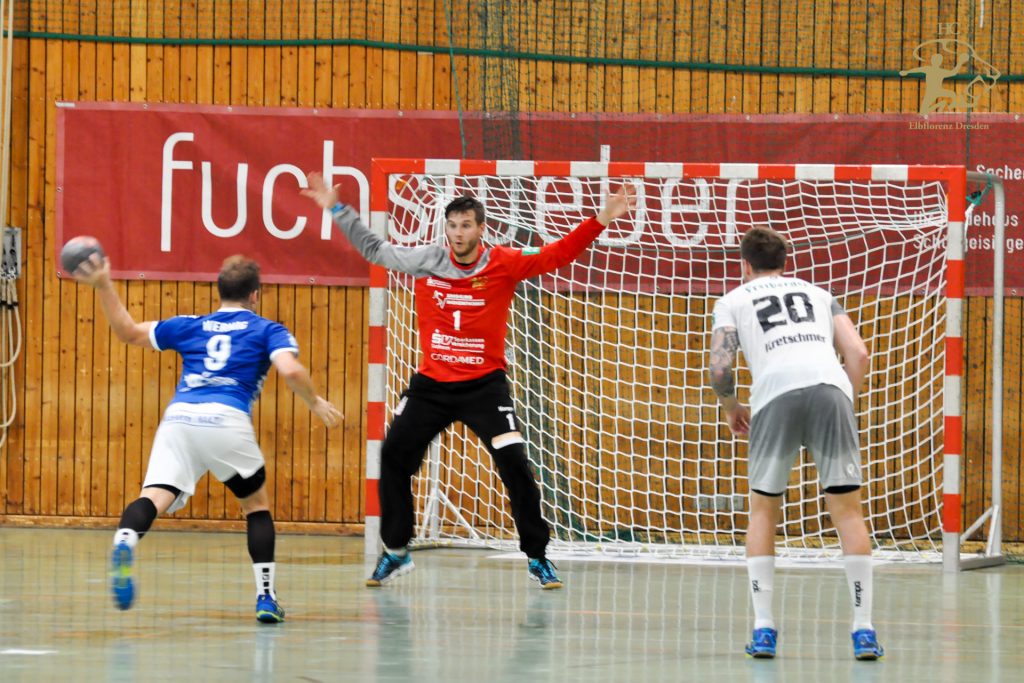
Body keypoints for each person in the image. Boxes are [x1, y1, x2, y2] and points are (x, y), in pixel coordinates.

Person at [302, 172, 636, 589]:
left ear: (480, 229)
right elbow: (374, 248)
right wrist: (336, 208)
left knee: (515, 464)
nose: (458, 233)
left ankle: (537, 556)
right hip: (432, 387)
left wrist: (602, 218)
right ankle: (397, 551)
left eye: (465, 225)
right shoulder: (427, 259)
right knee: (392, 456)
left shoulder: (503, 262)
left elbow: (558, 254)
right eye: (452, 225)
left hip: (485, 387)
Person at [70, 254, 342, 622]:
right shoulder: (267, 330)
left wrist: (104, 284)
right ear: (255, 294)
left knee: (155, 496)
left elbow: (128, 332)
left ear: (219, 291)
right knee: (256, 507)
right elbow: (291, 370)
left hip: (179, 418)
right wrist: (315, 402)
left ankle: (125, 541)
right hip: (227, 419)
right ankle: (265, 597)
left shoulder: (190, 325)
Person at [707, 226, 883, 661]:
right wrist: (844, 397)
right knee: (848, 511)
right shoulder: (819, 294)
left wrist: (732, 408)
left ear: (745, 265)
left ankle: (764, 628)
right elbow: (858, 353)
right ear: (786, 262)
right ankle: (863, 630)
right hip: (830, 390)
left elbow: (721, 367)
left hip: (775, 395)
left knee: (764, 509)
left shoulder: (732, 300)